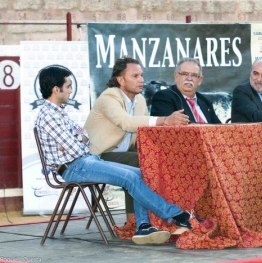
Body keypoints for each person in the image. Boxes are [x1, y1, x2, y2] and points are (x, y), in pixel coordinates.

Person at [35, 65, 195, 245]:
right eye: (69, 86)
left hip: (84, 161)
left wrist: (78, 140)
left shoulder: (60, 113)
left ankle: (143, 227)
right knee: (129, 177)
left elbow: (85, 136)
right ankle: (177, 215)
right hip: (73, 167)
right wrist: (77, 141)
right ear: (56, 90)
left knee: (138, 173)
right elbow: (76, 148)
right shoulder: (48, 115)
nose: (71, 90)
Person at [84, 56, 190, 228]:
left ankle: (166, 215)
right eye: (135, 76)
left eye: (141, 75)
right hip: (98, 157)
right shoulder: (108, 98)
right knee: (142, 162)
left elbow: (144, 132)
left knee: (161, 158)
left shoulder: (139, 99)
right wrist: (164, 120)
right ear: (120, 80)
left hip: (122, 153)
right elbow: (126, 123)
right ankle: (137, 221)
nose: (141, 80)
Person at [150, 57, 222, 124]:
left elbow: (220, 128)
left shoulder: (205, 102)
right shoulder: (163, 97)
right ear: (176, 76)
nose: (189, 78)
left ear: (200, 80)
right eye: (185, 74)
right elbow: (164, 132)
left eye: (194, 75)